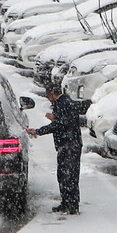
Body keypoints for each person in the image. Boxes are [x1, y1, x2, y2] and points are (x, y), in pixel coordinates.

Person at [26, 85, 87, 214]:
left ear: (53, 94)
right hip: (71, 144)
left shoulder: (62, 103)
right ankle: (69, 203)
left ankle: (70, 204)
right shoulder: (66, 102)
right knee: (68, 175)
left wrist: (39, 130)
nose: (49, 100)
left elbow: (60, 124)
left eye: (49, 97)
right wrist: (55, 118)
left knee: (67, 176)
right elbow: (67, 120)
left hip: (68, 144)